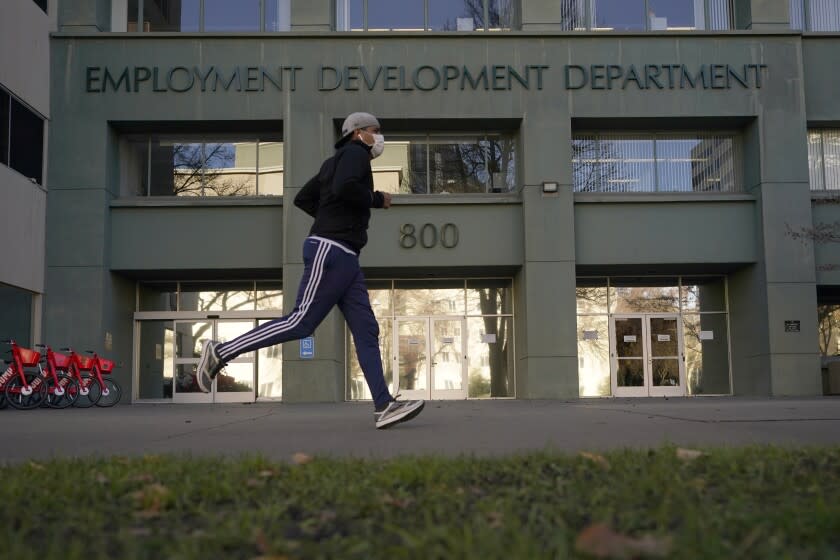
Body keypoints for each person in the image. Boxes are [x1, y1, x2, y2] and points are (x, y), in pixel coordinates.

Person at [195, 112, 424, 429]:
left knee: (367, 331)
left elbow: (304, 198)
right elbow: (345, 189)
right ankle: (220, 351)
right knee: (301, 322)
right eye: (375, 131)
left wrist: (330, 215)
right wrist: (376, 198)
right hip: (331, 250)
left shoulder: (333, 162)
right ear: (358, 133)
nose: (379, 136)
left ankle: (384, 406)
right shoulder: (355, 154)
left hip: (346, 258)